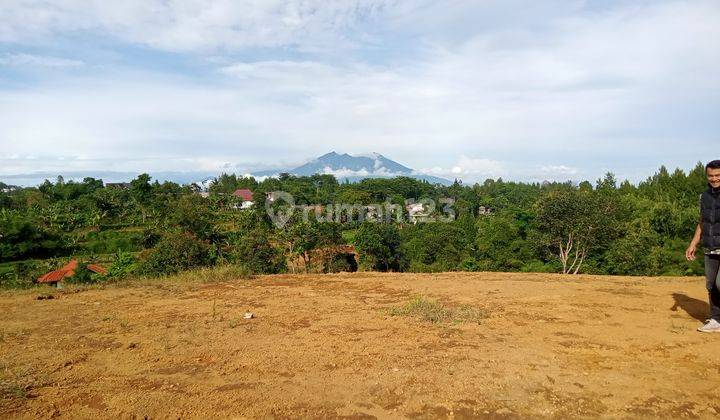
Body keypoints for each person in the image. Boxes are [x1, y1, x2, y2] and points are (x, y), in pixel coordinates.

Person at [686, 160, 720, 332]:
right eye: (711, 175)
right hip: (710, 247)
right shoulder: (704, 196)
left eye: (718, 175)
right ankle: (716, 320)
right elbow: (702, 221)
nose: (714, 179)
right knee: (711, 285)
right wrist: (693, 243)